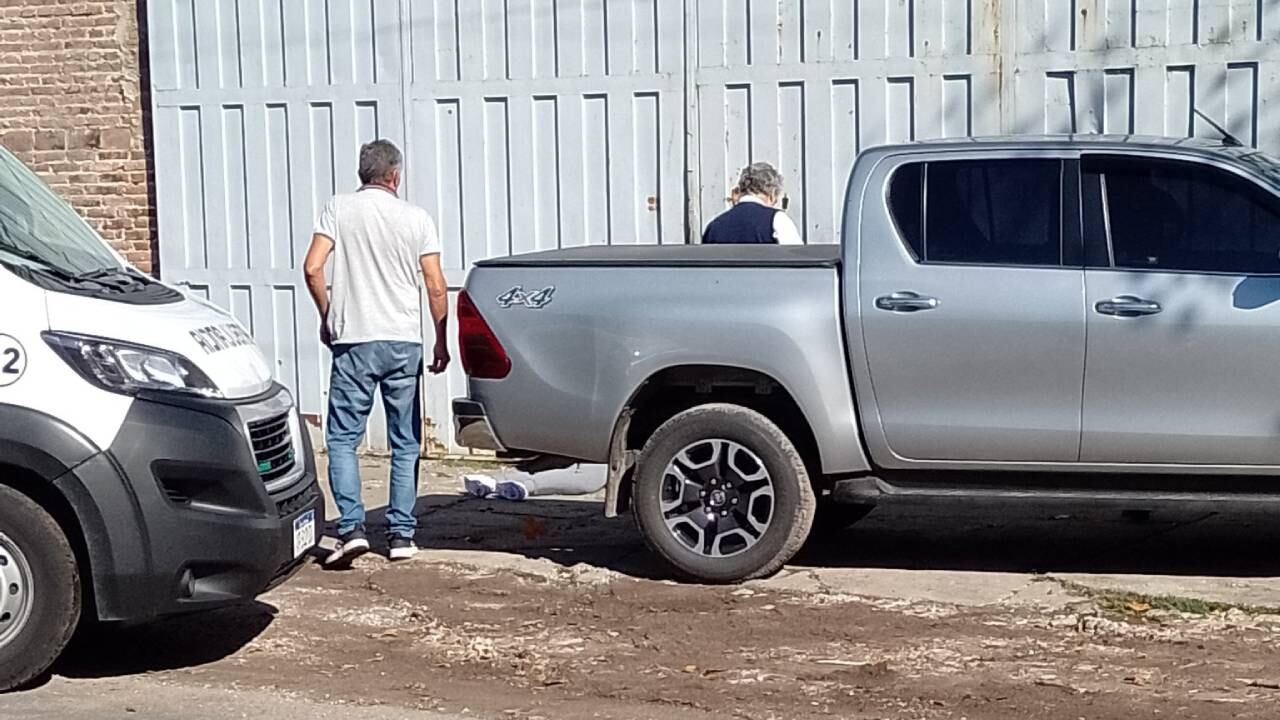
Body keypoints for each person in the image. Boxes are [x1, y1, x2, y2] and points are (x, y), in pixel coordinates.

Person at [302, 139, 450, 566]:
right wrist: (440, 337)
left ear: (362, 173)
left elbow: (312, 267)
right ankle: (402, 536)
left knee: (344, 439)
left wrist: (328, 316)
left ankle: (351, 529)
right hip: (403, 342)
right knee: (405, 443)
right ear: (395, 176)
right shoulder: (416, 218)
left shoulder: (338, 208)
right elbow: (435, 284)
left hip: (354, 341)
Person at [702, 162, 803, 245]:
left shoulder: (714, 227)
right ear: (772, 194)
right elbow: (798, 259)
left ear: (741, 190)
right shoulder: (777, 220)